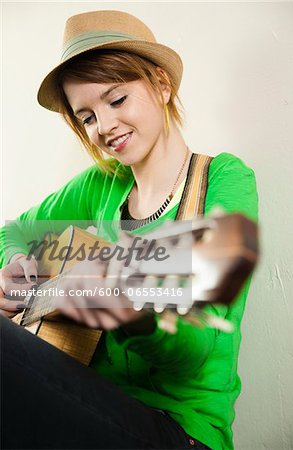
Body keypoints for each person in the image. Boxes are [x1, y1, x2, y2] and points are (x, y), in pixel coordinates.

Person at [0, 10, 258, 450]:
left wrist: (130, 310)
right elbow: (13, 230)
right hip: (84, 400)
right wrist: (14, 265)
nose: (105, 127)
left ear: (161, 84)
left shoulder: (224, 181)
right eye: (87, 117)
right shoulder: (101, 183)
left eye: (116, 100)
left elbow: (194, 351)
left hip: (177, 430)